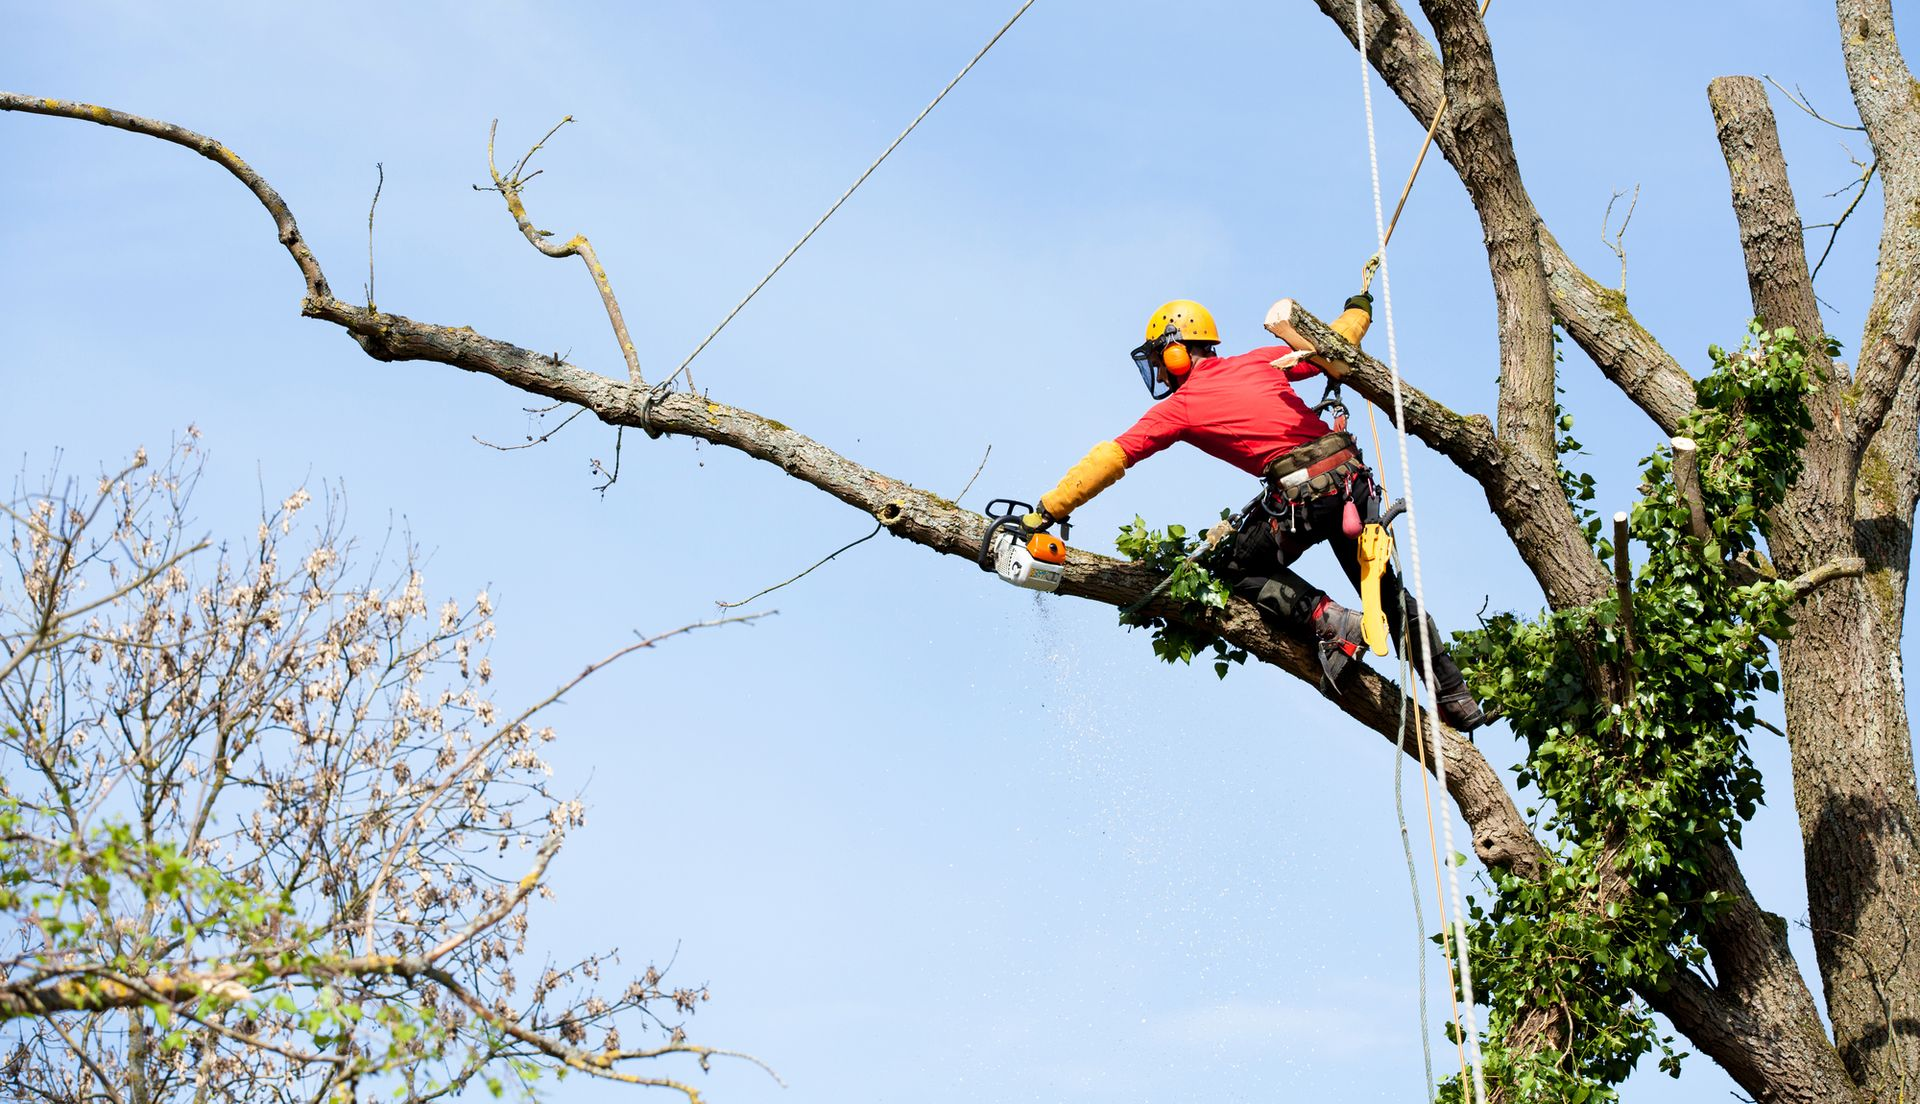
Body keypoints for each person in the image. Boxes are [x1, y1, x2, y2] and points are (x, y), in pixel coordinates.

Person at [1029, 297, 1491, 731]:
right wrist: (1358, 310)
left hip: (1304, 497)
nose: (1160, 374)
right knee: (1387, 594)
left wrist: (1049, 509)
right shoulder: (1259, 361)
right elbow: (1334, 340)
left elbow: (1112, 457)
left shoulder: (1181, 406)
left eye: (1159, 360)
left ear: (1175, 354)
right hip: (1350, 485)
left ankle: (1331, 620)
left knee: (1230, 569)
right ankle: (1455, 696)